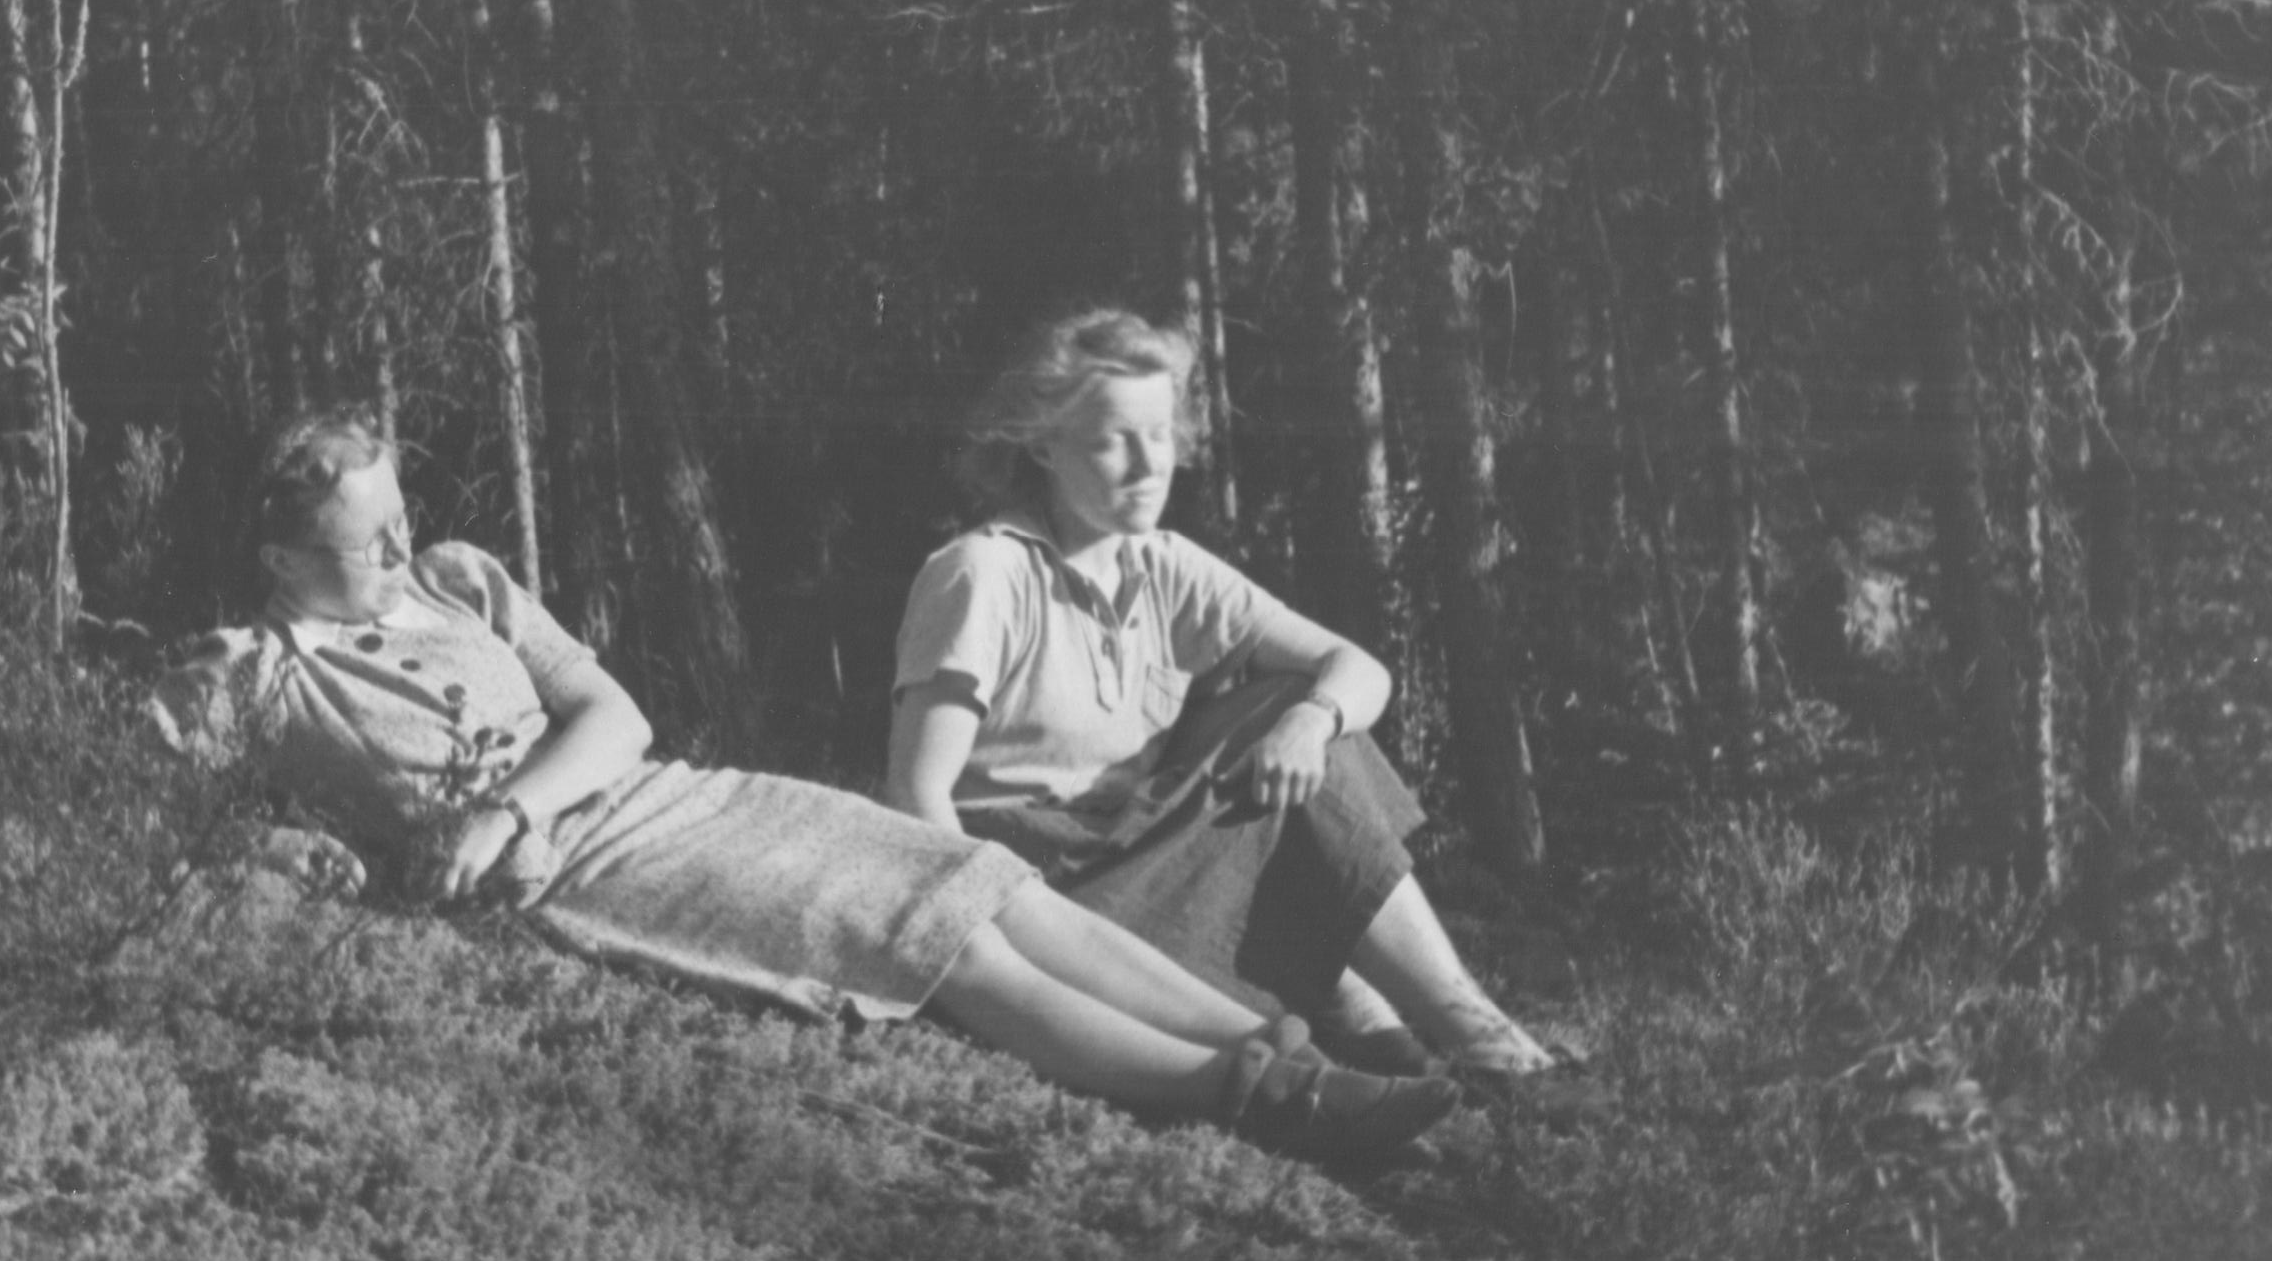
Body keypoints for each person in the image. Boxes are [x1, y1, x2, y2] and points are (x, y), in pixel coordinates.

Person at [146, 408, 1461, 1165]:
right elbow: (133, 810)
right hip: (597, 874)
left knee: (978, 876)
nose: (400, 547)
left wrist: (508, 803)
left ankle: (1284, 1051)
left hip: (676, 795)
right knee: (928, 944)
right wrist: (283, 853)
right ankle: (1269, 1104)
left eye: (399, 517)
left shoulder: (460, 580)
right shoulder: (244, 678)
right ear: (281, 558)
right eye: (365, 542)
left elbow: (615, 716)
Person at [885, 308, 1579, 1104]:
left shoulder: (1163, 566)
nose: (1149, 465)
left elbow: (1357, 669)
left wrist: (1310, 721)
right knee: (1285, 750)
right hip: (1043, 901)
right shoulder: (983, 574)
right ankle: (1446, 1050)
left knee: (1299, 715)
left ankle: (1455, 1044)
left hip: (1134, 853)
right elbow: (916, 802)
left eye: (1161, 435)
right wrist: (990, 952)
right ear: (1042, 445)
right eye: (1114, 440)